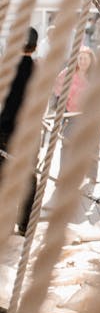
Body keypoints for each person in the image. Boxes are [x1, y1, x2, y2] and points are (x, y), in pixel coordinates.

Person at [0, 27, 39, 235]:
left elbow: (7, 106)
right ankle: (25, 224)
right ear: (35, 47)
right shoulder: (40, 71)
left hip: (7, 133)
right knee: (28, 177)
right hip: (31, 134)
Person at [53, 46, 98, 185]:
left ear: (91, 60)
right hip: (71, 115)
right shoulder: (67, 73)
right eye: (80, 58)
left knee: (92, 145)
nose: (83, 61)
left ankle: (91, 175)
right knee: (66, 145)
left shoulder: (96, 75)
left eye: (86, 58)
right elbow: (57, 90)